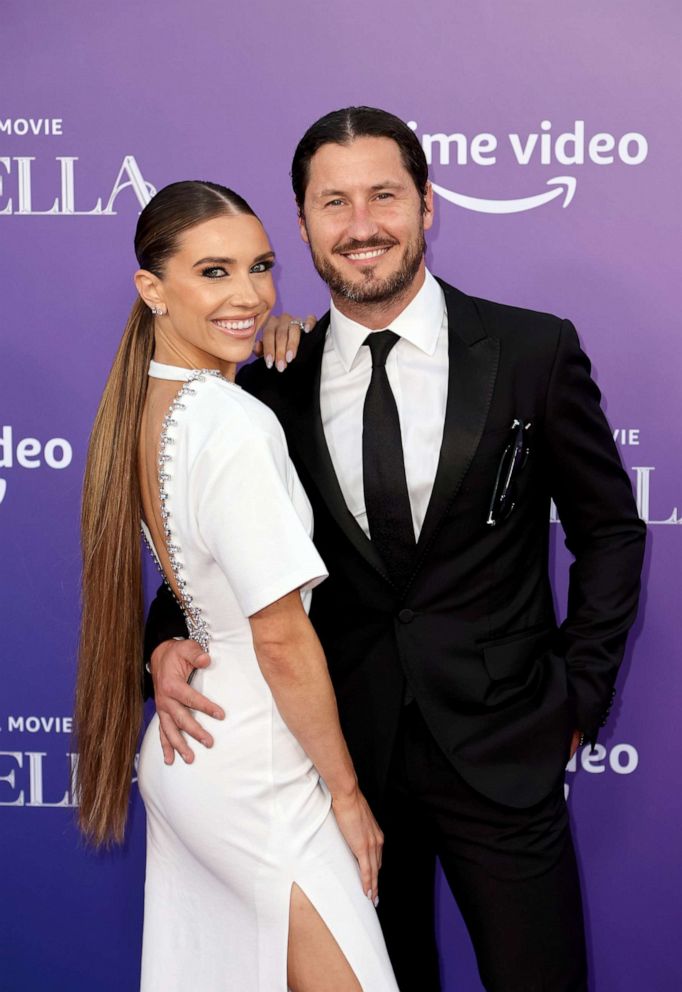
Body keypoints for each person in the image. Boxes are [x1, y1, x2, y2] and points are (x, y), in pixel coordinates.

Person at [145, 109, 647, 992]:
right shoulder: (268, 379)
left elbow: (609, 530)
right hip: (339, 763)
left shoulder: (533, 349)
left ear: (426, 205)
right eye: (332, 202)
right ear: (301, 225)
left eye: (384, 195)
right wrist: (161, 640)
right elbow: (222, 549)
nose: (361, 224)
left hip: (503, 744)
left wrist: (581, 692)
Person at [74, 179, 400, 992]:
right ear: (153, 289)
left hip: (199, 759)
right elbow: (282, 637)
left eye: (260, 267)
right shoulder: (231, 422)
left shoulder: (147, 406)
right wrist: (347, 794)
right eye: (214, 272)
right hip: (260, 775)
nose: (251, 295)